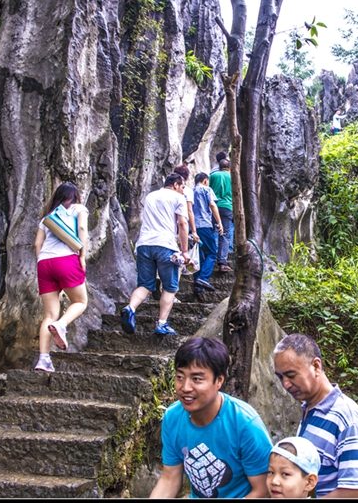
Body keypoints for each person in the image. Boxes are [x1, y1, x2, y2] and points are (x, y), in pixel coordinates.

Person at [150, 337, 273, 498]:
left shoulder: (245, 423)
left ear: (219, 380)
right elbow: (170, 479)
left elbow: (263, 491)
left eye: (197, 379)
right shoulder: (173, 417)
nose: (185, 387)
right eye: (180, 377)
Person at [272, 333, 358, 498]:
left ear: (316, 366)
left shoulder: (346, 417)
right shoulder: (310, 408)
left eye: (291, 375)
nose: (285, 384)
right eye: (280, 377)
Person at [121, 173, 190, 336]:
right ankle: (162, 323)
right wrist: (185, 251)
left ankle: (130, 308)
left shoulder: (150, 196)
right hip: (165, 245)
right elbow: (182, 223)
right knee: (170, 287)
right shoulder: (178, 198)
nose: (182, 190)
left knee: (145, 284)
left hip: (144, 245)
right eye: (182, 187)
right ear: (175, 185)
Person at [33, 182, 88, 372]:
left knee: (49, 314)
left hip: (44, 263)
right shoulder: (78, 209)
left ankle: (43, 359)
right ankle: (62, 325)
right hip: (65, 260)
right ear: (75, 196)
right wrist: (82, 255)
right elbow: (81, 230)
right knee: (80, 301)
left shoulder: (47, 217)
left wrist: (43, 261)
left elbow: (37, 244)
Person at [192, 172, 224, 295]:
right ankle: (203, 278)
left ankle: (197, 286)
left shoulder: (190, 191)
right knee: (212, 252)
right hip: (204, 225)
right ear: (205, 180)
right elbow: (212, 205)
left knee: (198, 255)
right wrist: (219, 222)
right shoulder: (207, 189)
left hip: (193, 227)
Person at [208, 158, 233, 272]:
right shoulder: (232, 177)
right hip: (228, 207)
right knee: (225, 234)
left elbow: (209, 191)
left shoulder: (213, 176)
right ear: (229, 168)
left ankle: (210, 258)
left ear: (219, 167)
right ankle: (222, 263)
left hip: (214, 207)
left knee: (213, 231)